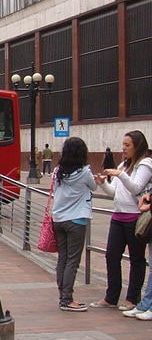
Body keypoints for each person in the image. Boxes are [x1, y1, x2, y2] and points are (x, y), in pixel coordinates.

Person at [90, 130, 152, 310]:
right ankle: (111, 297)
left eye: (127, 145)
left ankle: (132, 298)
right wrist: (103, 184)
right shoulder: (123, 165)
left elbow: (136, 188)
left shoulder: (145, 164)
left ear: (137, 146)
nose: (123, 149)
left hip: (135, 217)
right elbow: (115, 193)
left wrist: (120, 174)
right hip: (118, 216)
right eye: (123, 145)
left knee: (136, 259)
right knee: (111, 255)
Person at [51, 137, 97, 311]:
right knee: (73, 261)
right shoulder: (85, 172)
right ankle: (67, 299)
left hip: (59, 220)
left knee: (63, 258)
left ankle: (63, 295)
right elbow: (94, 187)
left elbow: (56, 191)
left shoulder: (57, 171)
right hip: (76, 220)